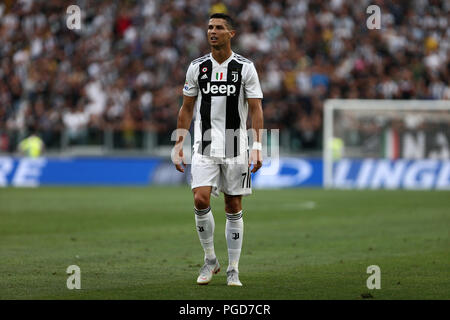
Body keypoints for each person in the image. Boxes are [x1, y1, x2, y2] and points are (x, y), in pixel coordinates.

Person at [173, 13, 264, 287]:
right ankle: (210, 260)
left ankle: (233, 269)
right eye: (210, 27)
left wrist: (258, 146)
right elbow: (187, 108)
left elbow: (256, 109)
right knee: (200, 199)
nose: (213, 31)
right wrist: (179, 143)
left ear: (231, 34)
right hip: (204, 145)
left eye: (219, 28)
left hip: (237, 146)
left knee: (232, 205)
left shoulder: (245, 67)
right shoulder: (197, 67)